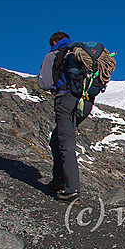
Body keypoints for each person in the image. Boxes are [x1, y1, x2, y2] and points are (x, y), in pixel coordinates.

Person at [37, 31, 94, 203]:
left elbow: (44, 83)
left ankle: (71, 190)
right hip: (85, 102)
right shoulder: (79, 52)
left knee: (66, 142)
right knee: (57, 139)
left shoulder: (55, 53)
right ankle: (58, 179)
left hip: (66, 99)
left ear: (54, 41)